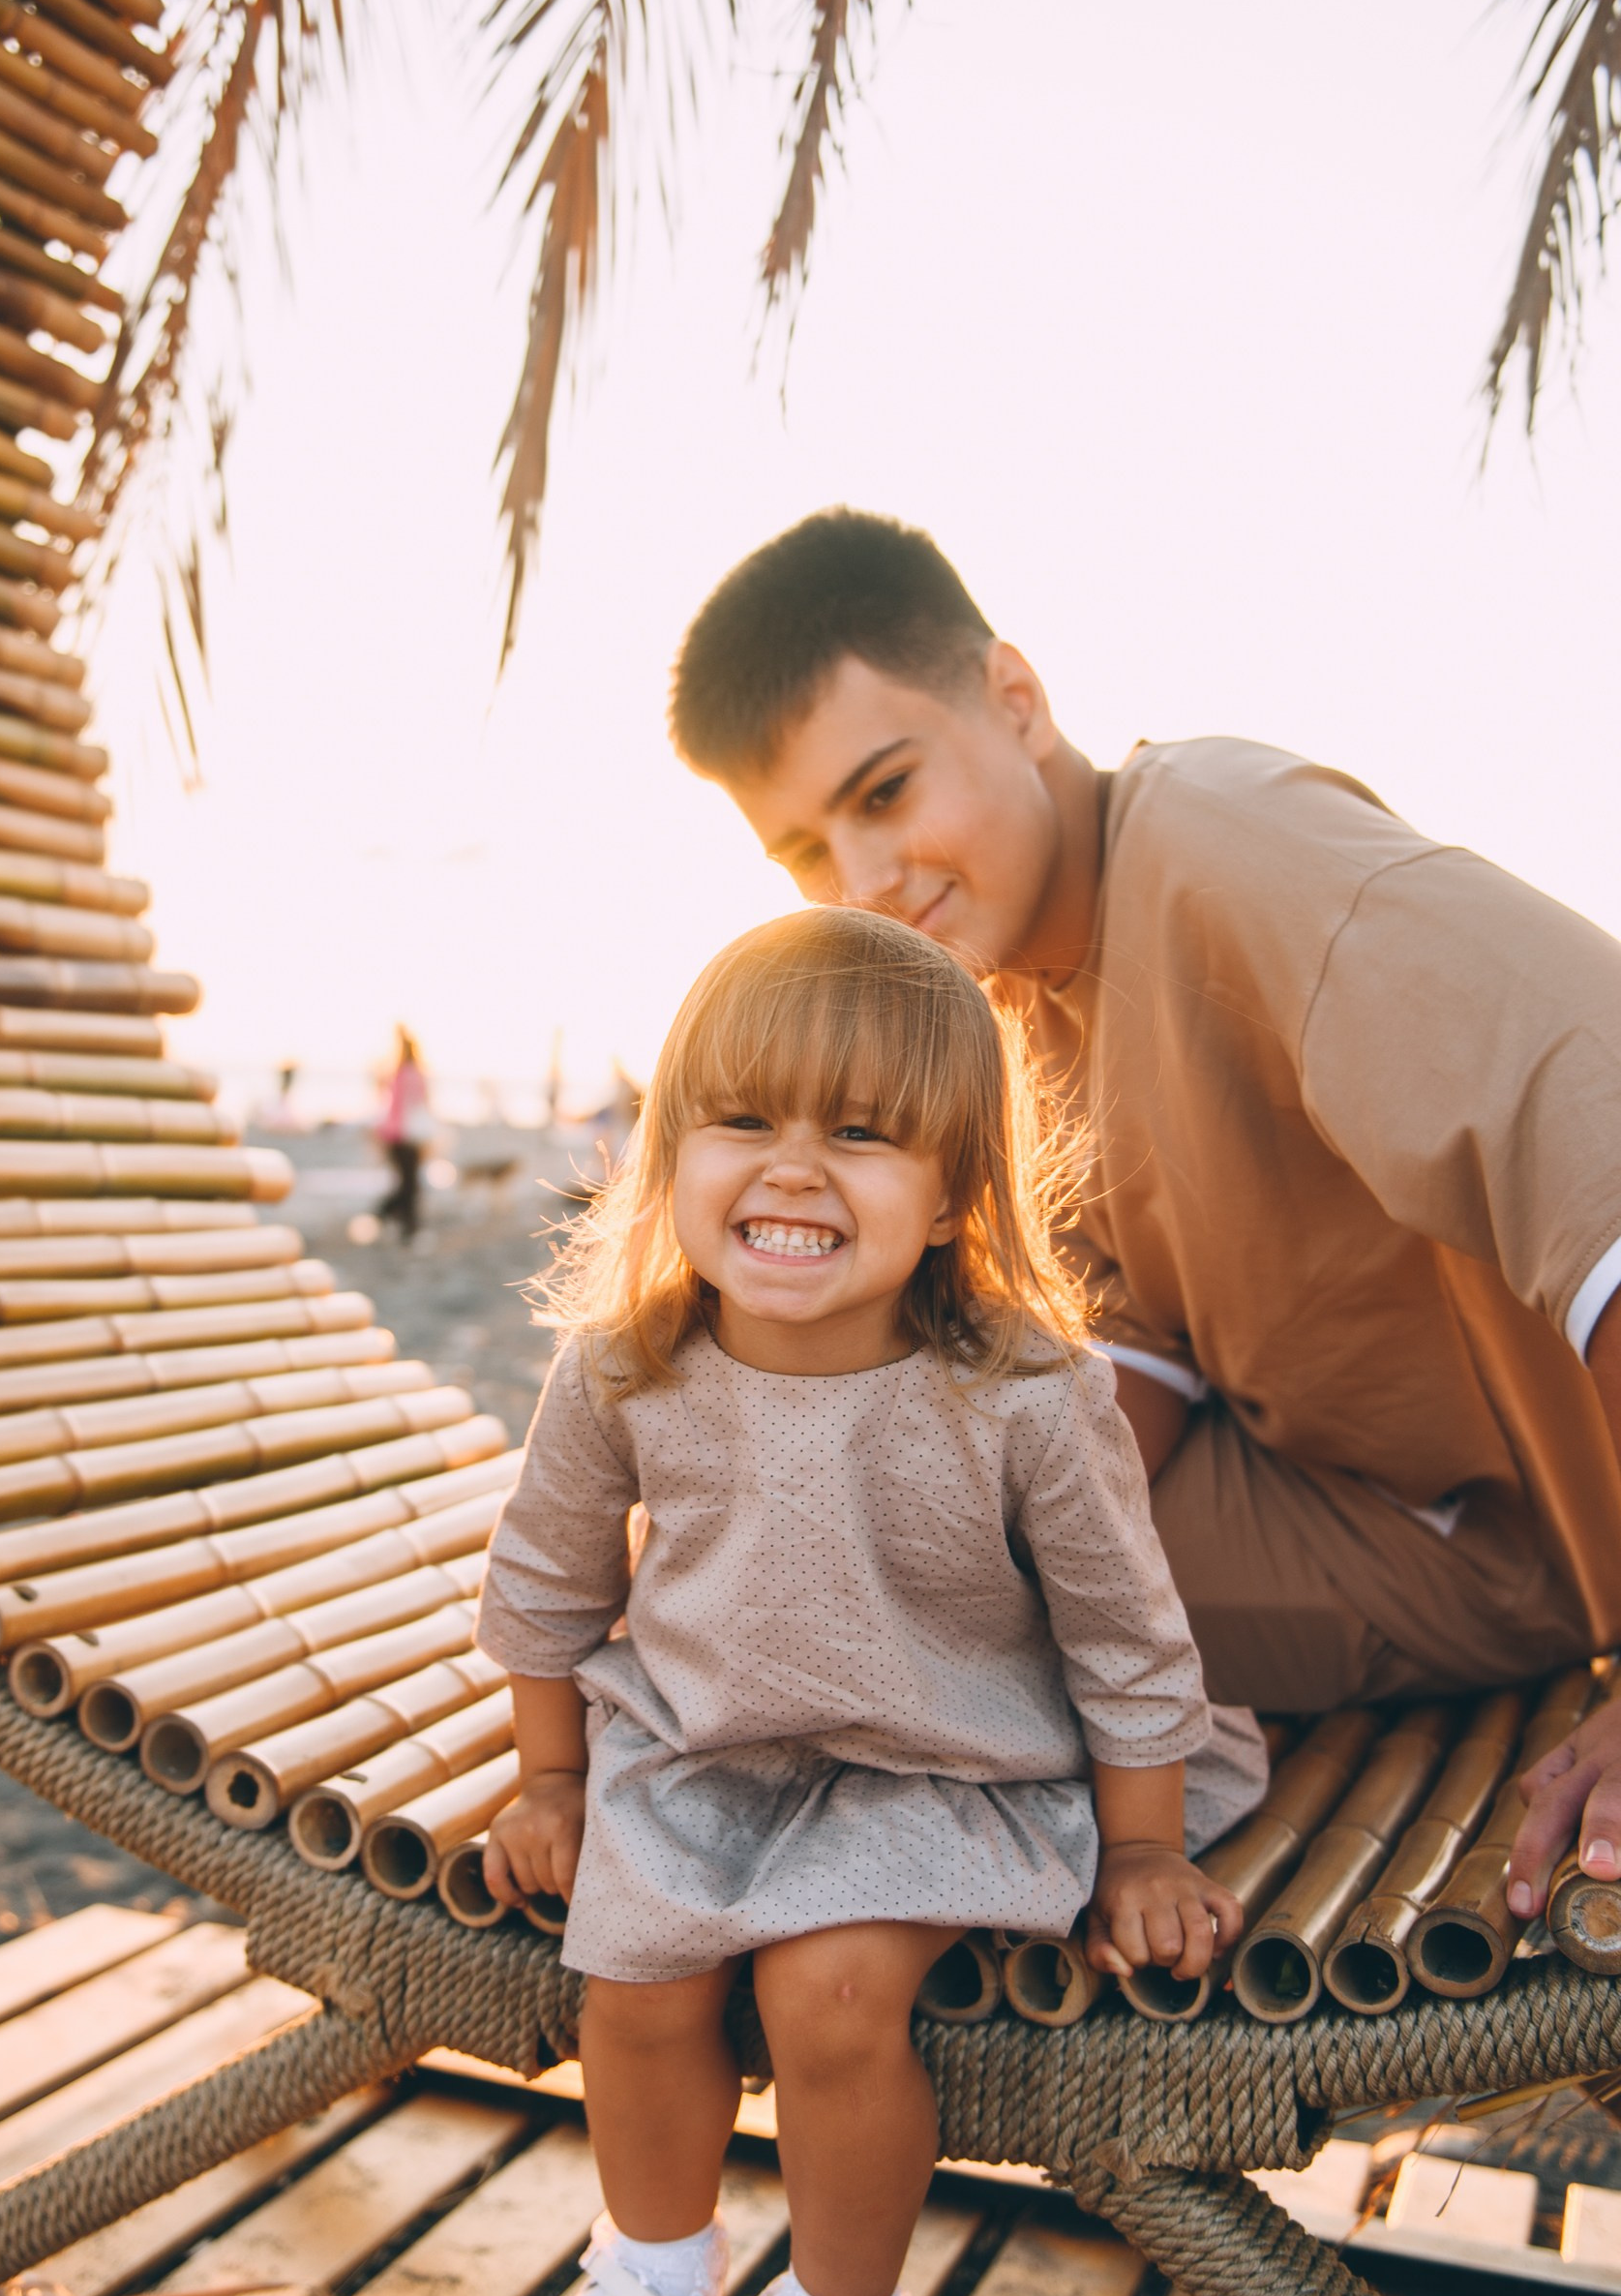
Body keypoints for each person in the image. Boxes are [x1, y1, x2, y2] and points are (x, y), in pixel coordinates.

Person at [462, 908, 1266, 2296]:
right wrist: (550, 1779)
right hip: (711, 1747)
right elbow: (541, 1587)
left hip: (956, 1761)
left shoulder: (1024, 1389)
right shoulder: (626, 1365)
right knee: (638, 1969)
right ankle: (647, 2283)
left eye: (864, 1131)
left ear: (957, 1189)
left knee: (829, 1987)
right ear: (671, 1146)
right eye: (743, 1118)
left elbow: (1125, 1637)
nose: (794, 1170)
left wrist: (1139, 1847)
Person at [664, 511, 1621, 1918]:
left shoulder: (1235, 849)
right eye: (805, 852)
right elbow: (1111, 1387)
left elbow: (1590, 1117)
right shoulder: (1002, 1015)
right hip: (1391, 1531)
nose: (859, 884)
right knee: (848, 1576)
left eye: (882, 792)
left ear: (1015, 699)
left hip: (1549, 1512)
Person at [373, 1026, 432, 1242]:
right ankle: (396, 1223)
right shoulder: (414, 1074)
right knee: (410, 1185)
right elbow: (421, 1104)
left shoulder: (401, 1074)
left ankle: (390, 1220)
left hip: (399, 1135)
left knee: (408, 1184)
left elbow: (395, 1107)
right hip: (407, 1136)